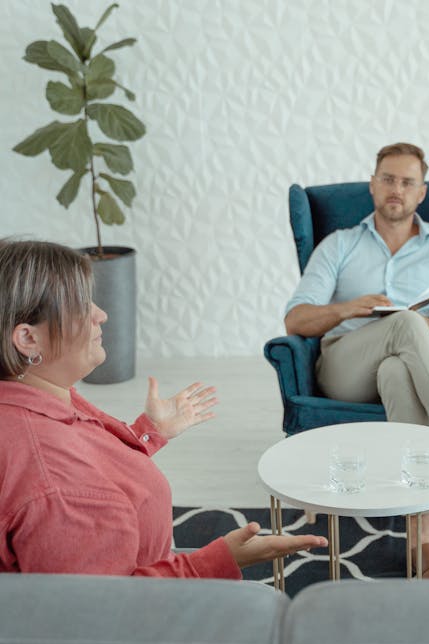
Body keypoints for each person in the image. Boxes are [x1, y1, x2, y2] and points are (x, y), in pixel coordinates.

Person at [0, 238, 327, 578]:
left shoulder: (31, 394)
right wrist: (220, 560)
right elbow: (101, 612)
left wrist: (148, 433)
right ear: (27, 339)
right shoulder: (59, 487)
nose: (101, 314)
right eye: (81, 305)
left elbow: (87, 463)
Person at [284, 142, 429, 578]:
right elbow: (296, 319)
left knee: (398, 364)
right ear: (372, 185)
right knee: (406, 323)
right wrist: (348, 309)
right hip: (344, 366)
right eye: (388, 179)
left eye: (407, 182)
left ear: (421, 193)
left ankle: (423, 540)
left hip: (411, 363)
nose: (396, 189)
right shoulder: (340, 245)